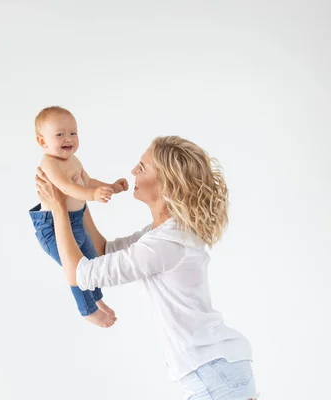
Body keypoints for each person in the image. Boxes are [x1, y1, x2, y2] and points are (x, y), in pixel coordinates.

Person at [35, 135, 258, 400]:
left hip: (212, 372)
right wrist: (77, 199)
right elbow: (103, 251)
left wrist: (59, 210)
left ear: (165, 184)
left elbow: (80, 274)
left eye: (142, 167)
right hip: (217, 368)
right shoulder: (164, 234)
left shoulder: (166, 244)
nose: (133, 171)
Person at [29, 106, 129, 328]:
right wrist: (92, 195)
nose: (68, 139)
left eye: (73, 133)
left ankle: (97, 300)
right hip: (53, 226)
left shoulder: (73, 160)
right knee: (75, 270)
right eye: (60, 134)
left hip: (76, 221)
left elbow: (87, 181)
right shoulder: (49, 163)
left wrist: (110, 186)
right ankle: (87, 310)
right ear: (42, 142)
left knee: (91, 261)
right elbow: (66, 188)